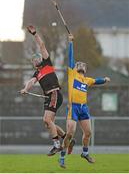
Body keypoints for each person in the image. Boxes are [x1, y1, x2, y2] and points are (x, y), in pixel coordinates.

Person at [59, 34, 110, 168]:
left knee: (88, 133)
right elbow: (71, 58)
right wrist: (70, 42)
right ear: (75, 67)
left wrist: (104, 79)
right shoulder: (72, 74)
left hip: (83, 108)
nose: (81, 65)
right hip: (73, 107)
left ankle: (85, 153)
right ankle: (62, 156)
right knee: (70, 133)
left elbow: (97, 81)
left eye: (83, 65)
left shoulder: (87, 80)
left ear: (85, 69)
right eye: (78, 64)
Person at [20, 25, 66, 156]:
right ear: (33, 63)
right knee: (47, 123)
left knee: (47, 119)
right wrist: (25, 88)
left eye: (37, 58)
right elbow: (31, 82)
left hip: (55, 93)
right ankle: (66, 137)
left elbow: (42, 46)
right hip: (48, 97)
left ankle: (57, 145)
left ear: (41, 59)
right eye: (33, 60)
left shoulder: (47, 63)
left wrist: (34, 34)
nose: (36, 60)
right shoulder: (36, 73)